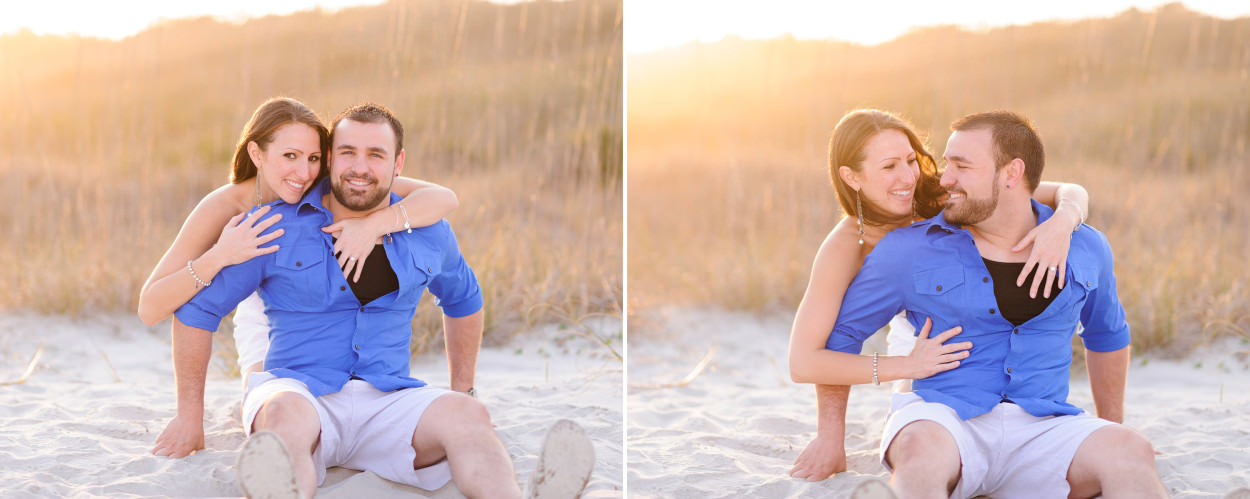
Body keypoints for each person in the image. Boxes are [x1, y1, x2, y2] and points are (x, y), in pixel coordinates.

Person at [151, 103, 593, 498]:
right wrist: (191, 416)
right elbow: (197, 310)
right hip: (300, 390)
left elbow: (464, 300)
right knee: (283, 420)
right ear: (330, 160)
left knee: (469, 417)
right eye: (348, 153)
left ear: (398, 163)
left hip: (389, 397)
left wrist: (464, 389)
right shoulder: (273, 226)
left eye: (376, 155)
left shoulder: (428, 230)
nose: (360, 167)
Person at [808, 111, 1166, 497]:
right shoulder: (904, 248)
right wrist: (832, 437)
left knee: (1131, 451)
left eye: (961, 166)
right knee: (919, 450)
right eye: (947, 164)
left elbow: (1106, 333)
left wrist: (1111, 427)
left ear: (1011, 173)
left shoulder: (1085, 245)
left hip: (1045, 424)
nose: (941, 179)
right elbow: (839, 339)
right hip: (944, 418)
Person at [137, 97, 459, 383]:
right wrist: (220, 255)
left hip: (310, 297)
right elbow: (150, 308)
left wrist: (373, 224)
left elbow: (442, 198)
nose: (303, 173)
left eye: (313, 158)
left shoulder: (326, 179)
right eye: (289, 156)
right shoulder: (226, 205)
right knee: (269, 398)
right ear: (257, 153)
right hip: (257, 303)